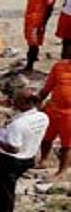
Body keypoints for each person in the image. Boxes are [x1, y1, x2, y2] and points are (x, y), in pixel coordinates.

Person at [0, 89, 50, 212]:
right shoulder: (43, 117)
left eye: (18, 100)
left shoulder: (19, 124)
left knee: (5, 194)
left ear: (28, 103)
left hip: (12, 161)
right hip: (30, 156)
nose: (14, 102)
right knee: (8, 192)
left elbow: (14, 148)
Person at [39, 44, 71, 177]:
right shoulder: (59, 67)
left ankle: (62, 170)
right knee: (46, 137)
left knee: (67, 144)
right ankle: (43, 160)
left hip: (69, 114)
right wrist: (37, 102)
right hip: (53, 109)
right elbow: (47, 87)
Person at [24, 0, 59, 73]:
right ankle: (34, 56)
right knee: (30, 39)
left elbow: (50, 7)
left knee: (33, 42)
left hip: (39, 19)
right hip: (29, 16)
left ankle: (30, 64)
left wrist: (43, 23)